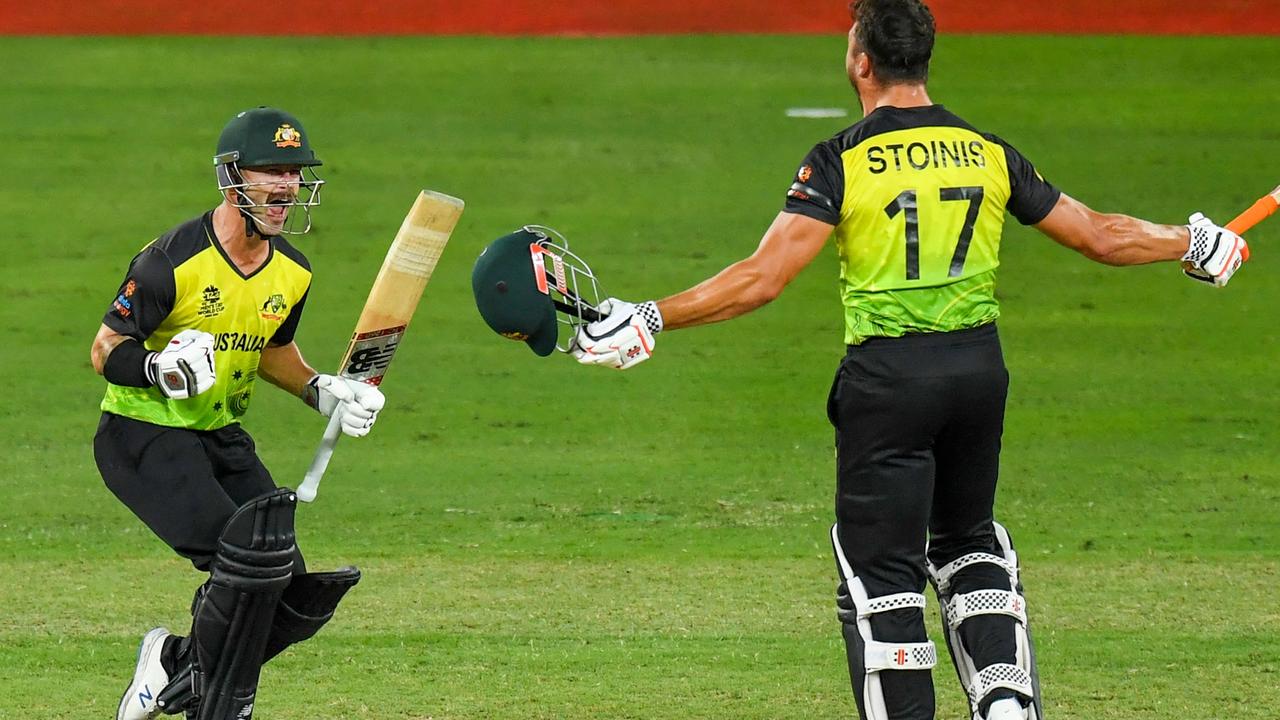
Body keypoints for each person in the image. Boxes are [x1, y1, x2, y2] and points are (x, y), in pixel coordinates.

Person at [567, 2, 1247, 719]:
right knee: (967, 540)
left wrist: (650, 316)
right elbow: (1100, 236)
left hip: (887, 384)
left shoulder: (840, 160)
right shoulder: (987, 151)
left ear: (862, 60)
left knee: (882, 576)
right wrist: (1191, 240)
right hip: (979, 377)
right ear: (925, 57)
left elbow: (762, 278)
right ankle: (1006, 700)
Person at [91, 106, 386, 720]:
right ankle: (214, 697)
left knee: (291, 588)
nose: (286, 187)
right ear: (232, 178)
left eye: (295, 173)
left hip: (220, 435)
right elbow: (105, 348)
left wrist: (323, 393)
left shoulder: (293, 272)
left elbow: (273, 351)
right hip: (144, 434)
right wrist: (159, 369)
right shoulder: (169, 261)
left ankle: (176, 665)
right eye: (270, 171)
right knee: (247, 564)